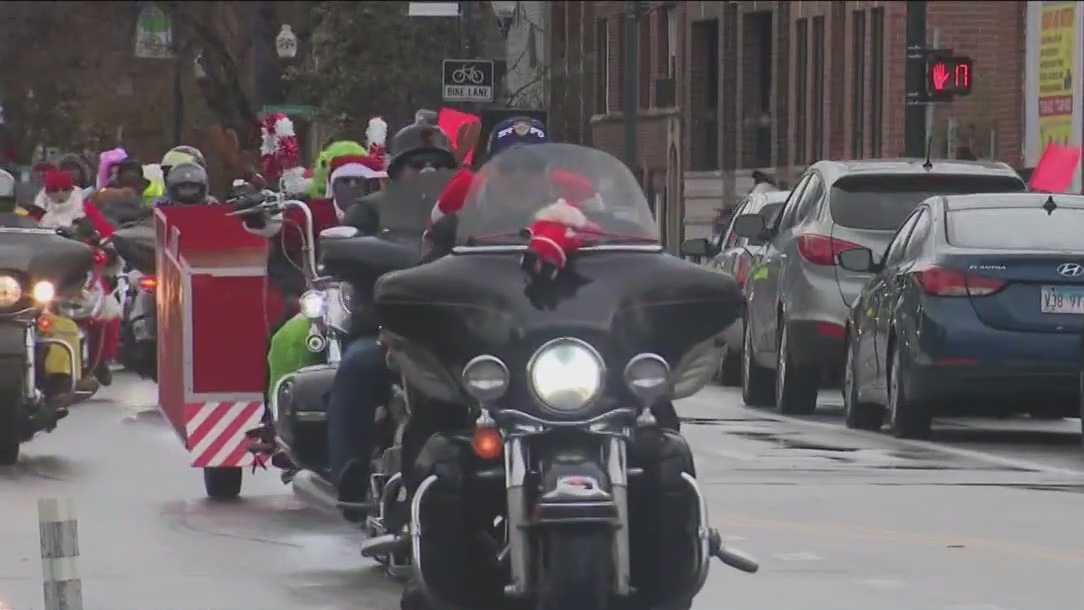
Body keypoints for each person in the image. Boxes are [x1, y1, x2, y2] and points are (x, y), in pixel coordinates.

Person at [329, 117, 462, 509]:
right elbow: (342, 256)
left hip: (458, 334)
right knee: (357, 365)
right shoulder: (370, 210)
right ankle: (348, 474)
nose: (428, 172)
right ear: (397, 170)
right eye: (417, 163)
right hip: (387, 330)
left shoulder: (474, 211)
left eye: (438, 164)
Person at [31, 169, 120, 388]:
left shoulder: (84, 209)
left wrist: (103, 243)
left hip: (82, 271)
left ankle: (101, 358)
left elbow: (106, 233)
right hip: (46, 273)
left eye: (64, 189)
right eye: (54, 190)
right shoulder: (37, 212)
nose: (60, 195)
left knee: (107, 307)